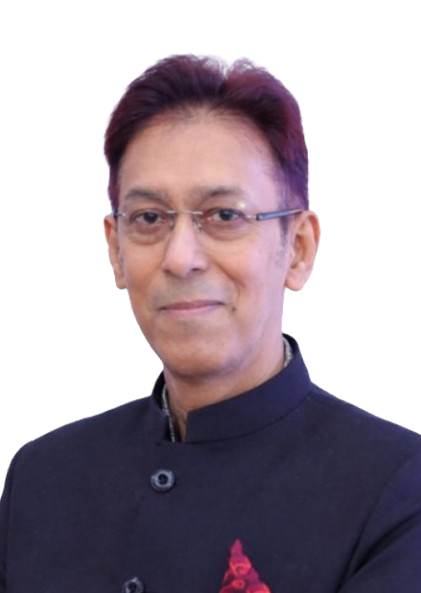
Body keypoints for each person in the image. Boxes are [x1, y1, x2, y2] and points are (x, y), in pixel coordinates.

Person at [1, 53, 420, 593]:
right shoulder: (43, 477)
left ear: (298, 248)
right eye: (149, 218)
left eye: (225, 216)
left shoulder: (399, 487)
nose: (181, 258)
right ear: (115, 250)